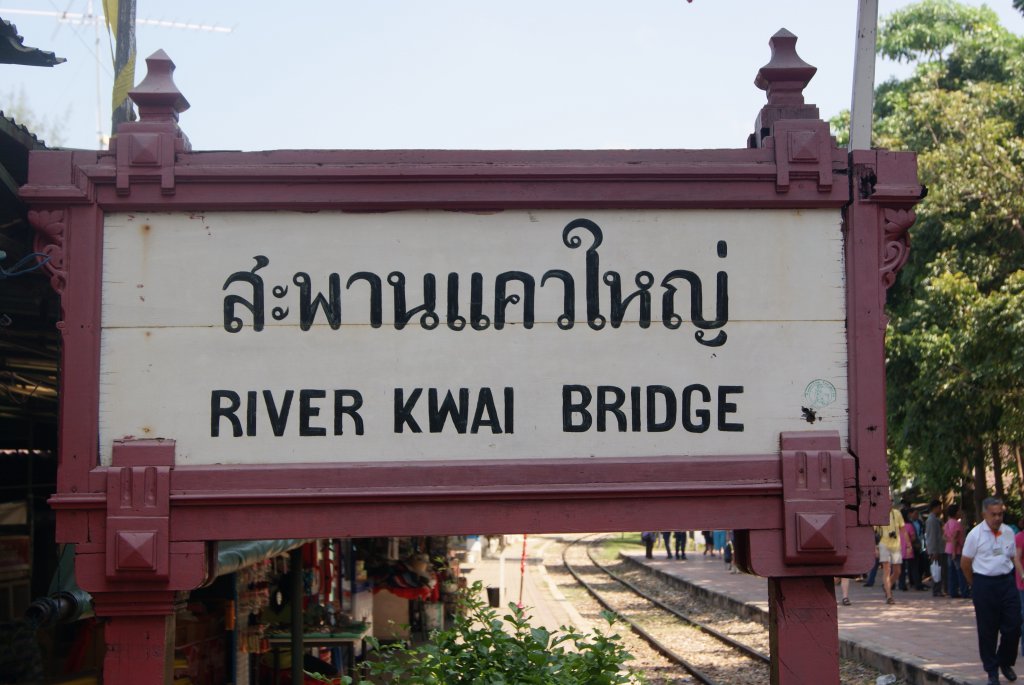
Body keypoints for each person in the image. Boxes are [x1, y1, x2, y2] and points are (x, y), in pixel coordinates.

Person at [961, 497, 1024, 685]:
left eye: (1000, 514)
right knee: (987, 630)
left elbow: (1012, 556)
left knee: (1014, 625)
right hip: (984, 583)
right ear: (984, 514)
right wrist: (975, 584)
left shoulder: (1008, 532)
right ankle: (992, 670)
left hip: (1006, 582)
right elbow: (965, 563)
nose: (997, 518)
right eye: (993, 514)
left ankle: (1005, 661)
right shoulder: (975, 535)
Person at [875, 502, 907, 605]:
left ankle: (887, 586)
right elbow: (873, 532)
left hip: (896, 545)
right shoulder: (878, 514)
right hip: (883, 544)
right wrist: (874, 547)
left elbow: (903, 530)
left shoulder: (897, 513)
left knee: (898, 571)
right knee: (887, 569)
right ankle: (889, 595)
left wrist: (909, 544)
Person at [947, 504, 969, 598]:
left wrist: (949, 540)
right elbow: (955, 538)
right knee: (960, 571)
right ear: (956, 513)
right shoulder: (956, 524)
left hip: (948, 549)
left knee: (952, 572)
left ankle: (952, 591)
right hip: (956, 550)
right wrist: (954, 551)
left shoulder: (948, 523)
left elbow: (944, 536)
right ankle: (965, 591)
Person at [926, 499, 946, 596]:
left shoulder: (935, 519)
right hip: (936, 549)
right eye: (939, 508)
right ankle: (936, 589)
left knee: (938, 569)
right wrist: (933, 551)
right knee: (936, 570)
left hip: (938, 548)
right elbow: (932, 537)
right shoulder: (932, 520)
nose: (940, 510)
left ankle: (938, 589)